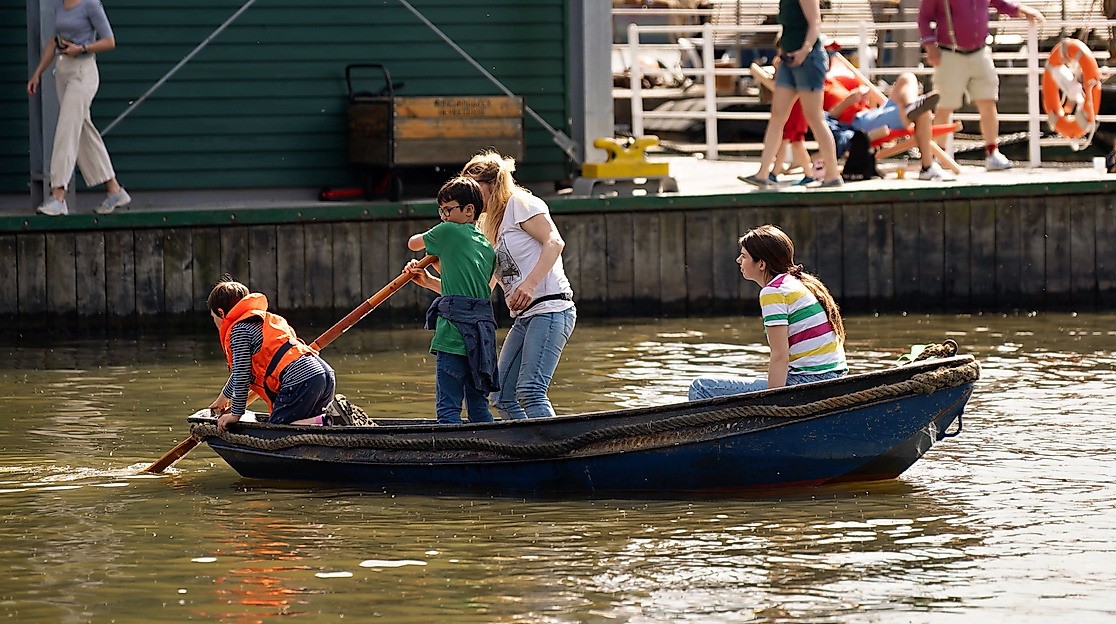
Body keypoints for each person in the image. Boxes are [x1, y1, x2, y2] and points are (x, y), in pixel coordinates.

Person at [460, 151, 576, 420]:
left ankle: (553, 454)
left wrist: (530, 284)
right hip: (525, 317)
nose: (471, 200)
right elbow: (480, 288)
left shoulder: (520, 204)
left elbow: (554, 242)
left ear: (493, 184)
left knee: (531, 390)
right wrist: (429, 281)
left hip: (550, 308)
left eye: (475, 191)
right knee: (501, 397)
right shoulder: (490, 226)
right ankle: (530, 450)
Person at [688, 225, 847, 400]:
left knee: (701, 387)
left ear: (761, 264)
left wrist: (771, 405)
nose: (738, 260)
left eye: (744, 256)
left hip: (809, 382)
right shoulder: (795, 283)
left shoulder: (773, 292)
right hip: (833, 378)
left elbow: (780, 356)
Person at [405, 176, 499, 425]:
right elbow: (461, 282)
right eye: (441, 210)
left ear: (469, 210)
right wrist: (428, 274)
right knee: (479, 410)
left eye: (448, 210)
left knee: (448, 410)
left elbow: (413, 243)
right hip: (483, 338)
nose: (444, 216)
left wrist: (432, 245)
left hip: (454, 335)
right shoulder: (486, 247)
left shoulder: (447, 231)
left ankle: (452, 457)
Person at [27, 0, 130, 216]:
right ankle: (115, 190)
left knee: (66, 129)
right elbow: (54, 42)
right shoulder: (58, 5)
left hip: (83, 73)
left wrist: (82, 48)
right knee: (81, 130)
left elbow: (110, 41)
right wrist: (37, 73)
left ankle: (58, 196)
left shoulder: (91, 5)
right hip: (63, 72)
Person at [918, 0, 1044, 171]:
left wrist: (1022, 9)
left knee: (988, 102)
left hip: (980, 52)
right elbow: (924, 18)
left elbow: (1000, 3)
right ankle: (939, 157)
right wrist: (930, 48)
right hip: (949, 53)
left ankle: (992, 153)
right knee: (944, 106)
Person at [739, 0, 843, 189]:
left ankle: (833, 175)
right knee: (777, 115)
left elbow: (815, 23)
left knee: (815, 117)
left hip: (808, 59)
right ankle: (763, 174)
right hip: (787, 59)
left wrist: (804, 51)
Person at [206, 280, 336, 432]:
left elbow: (242, 374)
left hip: (301, 381)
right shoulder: (258, 322)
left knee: (277, 432)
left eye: (213, 316)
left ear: (221, 313)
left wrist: (236, 414)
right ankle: (327, 420)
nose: (214, 321)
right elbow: (243, 371)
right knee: (307, 427)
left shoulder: (238, 331)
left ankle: (329, 421)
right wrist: (223, 398)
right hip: (323, 374)